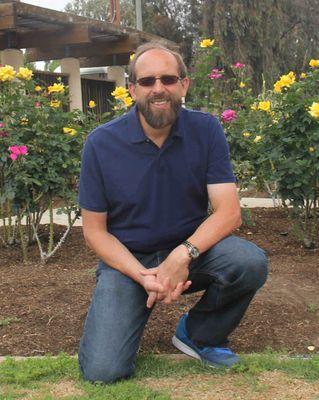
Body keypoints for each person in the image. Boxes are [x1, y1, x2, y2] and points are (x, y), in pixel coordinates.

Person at [77, 42, 268, 383]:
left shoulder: (206, 130)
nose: (158, 89)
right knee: (102, 372)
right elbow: (95, 231)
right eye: (147, 81)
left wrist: (182, 255)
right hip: (128, 262)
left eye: (168, 79)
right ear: (132, 89)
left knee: (248, 261)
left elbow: (228, 212)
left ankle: (199, 334)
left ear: (184, 84)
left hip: (191, 251)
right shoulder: (101, 143)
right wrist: (143, 275)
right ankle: (132, 303)